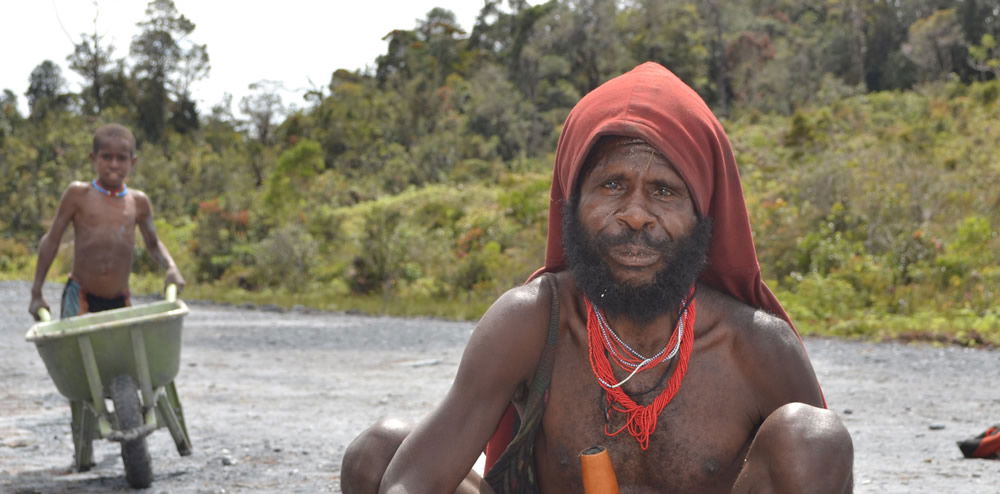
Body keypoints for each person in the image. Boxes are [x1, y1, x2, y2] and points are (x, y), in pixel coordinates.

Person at [340, 62, 853, 493]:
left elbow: (816, 472)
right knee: (379, 453)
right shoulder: (531, 320)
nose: (635, 215)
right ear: (572, 202)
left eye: (665, 191)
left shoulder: (755, 347)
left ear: (704, 215)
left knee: (813, 437)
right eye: (612, 185)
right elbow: (412, 481)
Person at [28, 122, 186, 471]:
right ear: (93, 158)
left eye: (121, 158)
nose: (113, 165)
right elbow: (52, 239)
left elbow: (153, 243)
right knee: (81, 375)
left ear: (134, 161)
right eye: (106, 157)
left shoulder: (137, 202)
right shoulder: (78, 195)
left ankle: (172, 432)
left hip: (119, 301)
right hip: (81, 295)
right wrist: (37, 291)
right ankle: (82, 450)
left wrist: (171, 268)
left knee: (132, 365)